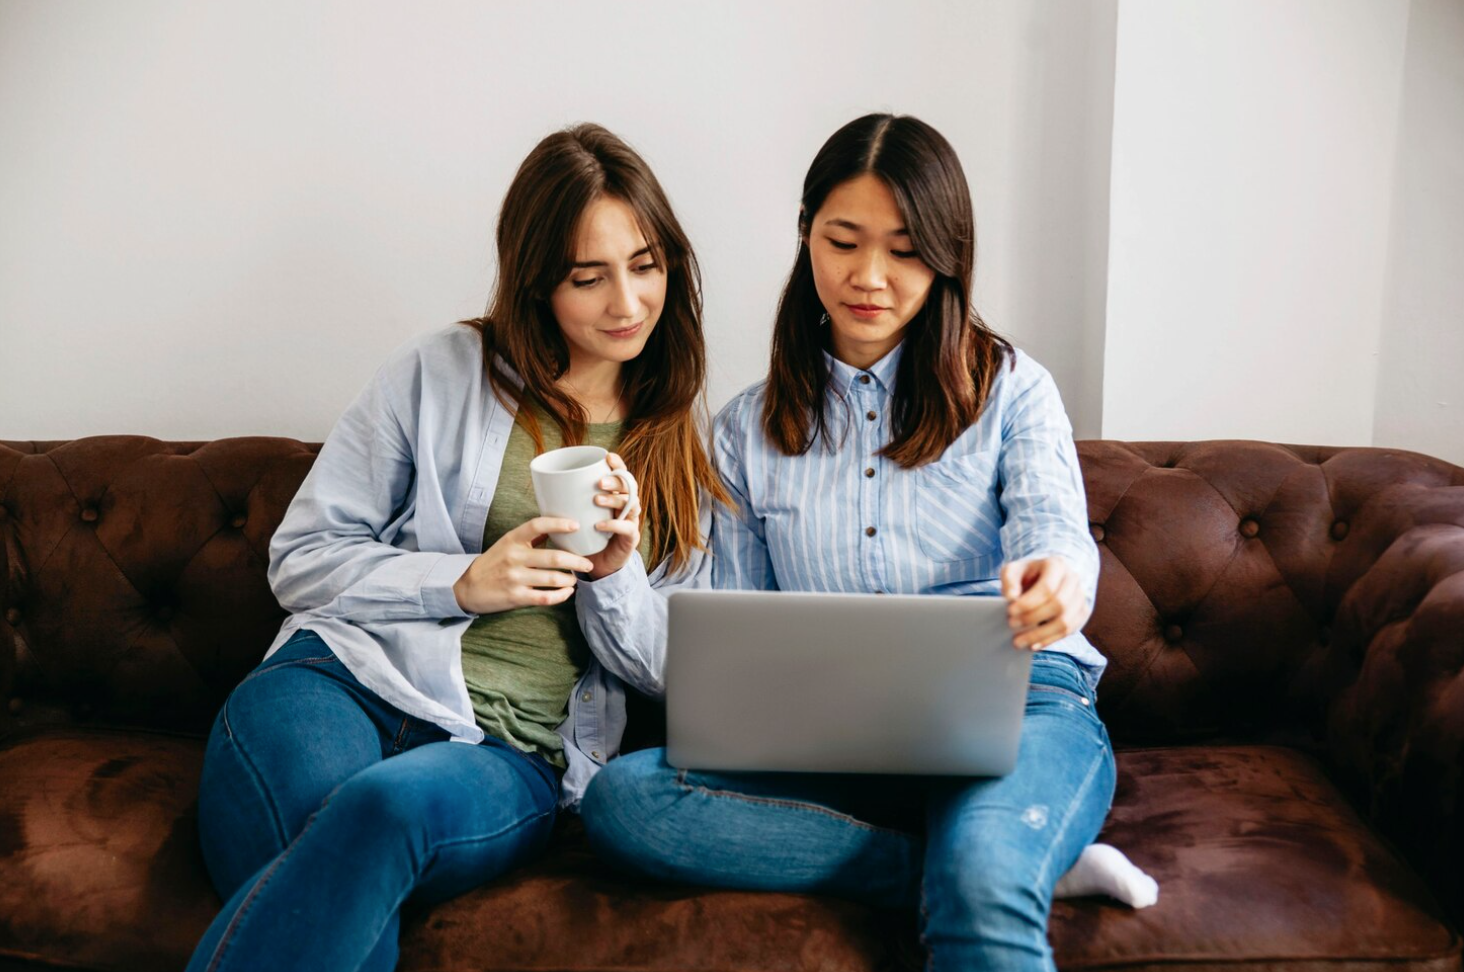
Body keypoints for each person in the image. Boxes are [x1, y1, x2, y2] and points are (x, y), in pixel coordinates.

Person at [579, 114, 1155, 972]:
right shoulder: (745, 427)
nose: (870, 278)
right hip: (832, 728)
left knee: (985, 880)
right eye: (843, 240)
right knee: (626, 798)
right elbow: (724, 640)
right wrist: (618, 574)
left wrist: (1060, 582)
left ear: (949, 258)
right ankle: (994, 866)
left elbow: (1056, 535)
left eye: (907, 251)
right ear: (806, 231)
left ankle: (994, 866)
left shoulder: (1012, 390)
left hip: (1015, 706)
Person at [186, 123, 725, 972]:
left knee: (374, 817)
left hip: (507, 752)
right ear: (538, 280)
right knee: (320, 843)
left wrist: (614, 578)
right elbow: (302, 557)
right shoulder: (440, 371)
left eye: (647, 265)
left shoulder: (684, 447)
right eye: (590, 277)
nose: (627, 303)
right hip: (339, 681)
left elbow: (672, 668)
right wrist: (463, 583)